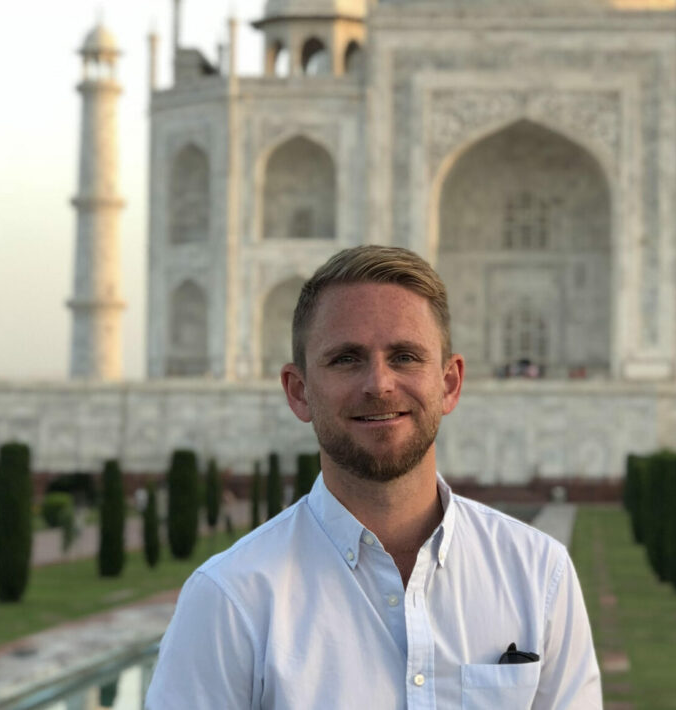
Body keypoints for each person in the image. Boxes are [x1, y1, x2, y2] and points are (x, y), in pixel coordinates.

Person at [146, 246, 602, 708]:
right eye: (346, 358)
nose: (379, 384)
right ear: (299, 391)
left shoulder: (536, 574)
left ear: (449, 383)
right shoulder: (233, 598)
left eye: (405, 356)